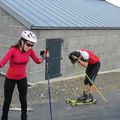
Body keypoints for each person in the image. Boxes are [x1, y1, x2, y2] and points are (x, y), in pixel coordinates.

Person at [0, 30, 48, 120]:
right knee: (7, 100)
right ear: (22, 41)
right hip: (10, 78)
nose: (30, 47)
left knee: (23, 100)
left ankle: (24, 118)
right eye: (28, 44)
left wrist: (44, 57)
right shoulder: (13, 50)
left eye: (32, 45)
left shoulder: (29, 51)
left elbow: (38, 61)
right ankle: (4, 118)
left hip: (22, 78)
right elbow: (2, 62)